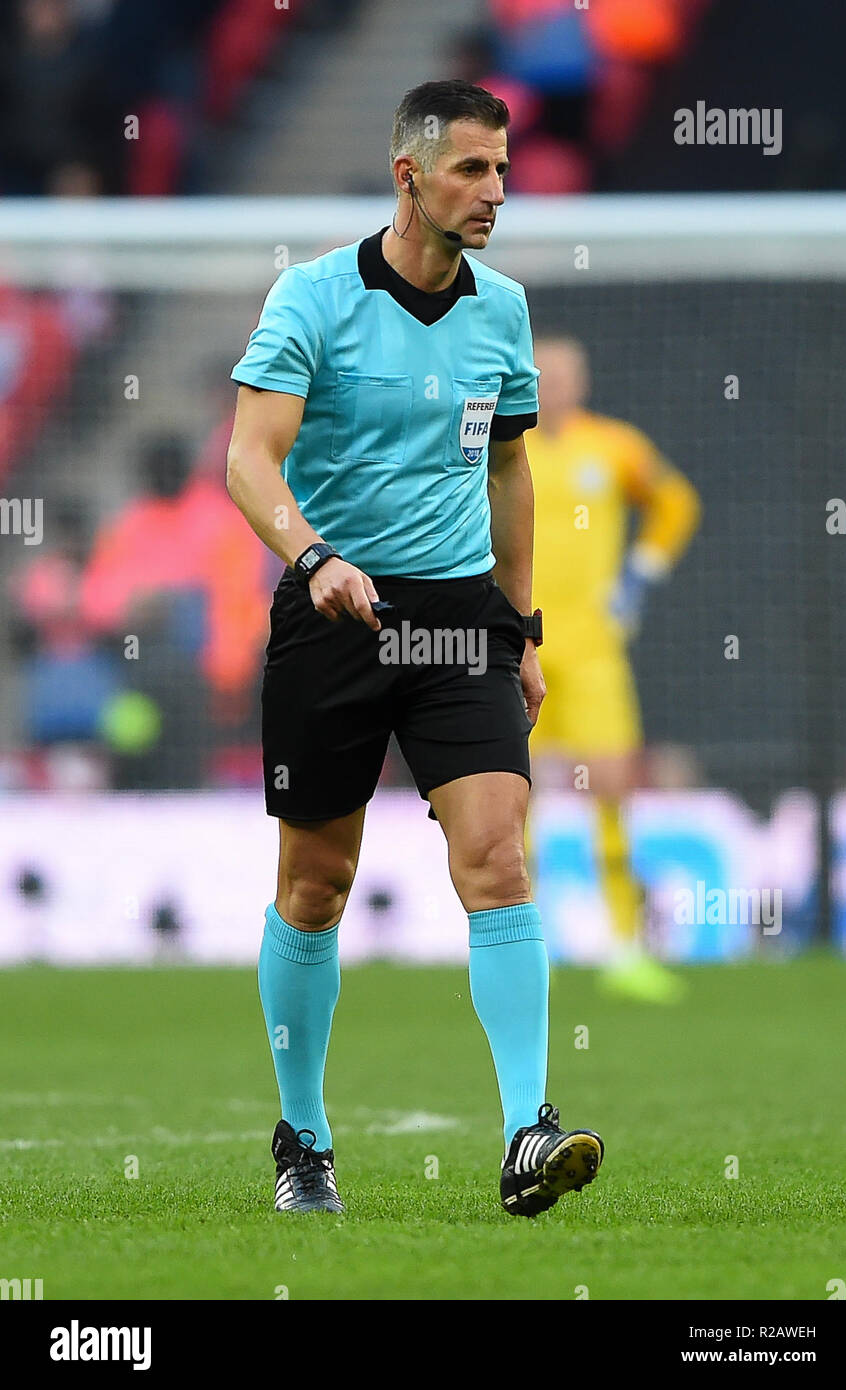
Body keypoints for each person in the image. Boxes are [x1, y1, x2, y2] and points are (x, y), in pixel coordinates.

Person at [227, 80, 604, 1218]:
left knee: (496, 856)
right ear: (409, 177)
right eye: (472, 171)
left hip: (456, 623)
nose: (495, 192)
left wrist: (522, 623)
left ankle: (525, 1132)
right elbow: (249, 458)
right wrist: (312, 558)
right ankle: (303, 1137)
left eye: (502, 169)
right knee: (314, 886)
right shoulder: (311, 297)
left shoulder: (504, 310)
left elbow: (505, 469)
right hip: (331, 615)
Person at [529, 337, 702, 1001]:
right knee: (513, 797)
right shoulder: (498, 447)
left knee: (610, 789)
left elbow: (676, 503)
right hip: (517, 645)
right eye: (546, 376)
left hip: (595, 647)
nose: (557, 387)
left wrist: (641, 572)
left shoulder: (615, 447)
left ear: (585, 382)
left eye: (569, 375)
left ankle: (624, 948)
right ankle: (522, 948)